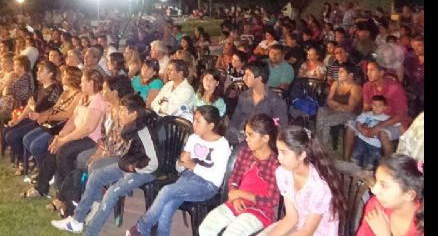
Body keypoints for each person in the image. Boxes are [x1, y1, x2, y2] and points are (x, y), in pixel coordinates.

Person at [50, 93, 158, 234]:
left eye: (123, 110)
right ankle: (76, 221)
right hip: (128, 164)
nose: (119, 114)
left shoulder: (144, 131)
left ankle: (91, 232)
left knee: (112, 193)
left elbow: (154, 163)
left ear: (134, 114)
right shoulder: (130, 126)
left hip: (145, 171)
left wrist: (135, 168)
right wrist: (125, 163)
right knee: (96, 176)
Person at [127, 106, 232, 236]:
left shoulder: (222, 145)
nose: (194, 124)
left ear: (210, 126)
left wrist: (193, 166)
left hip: (207, 185)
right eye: (194, 120)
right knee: (167, 207)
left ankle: (142, 228)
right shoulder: (194, 138)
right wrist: (181, 162)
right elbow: (180, 169)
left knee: (167, 191)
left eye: (198, 121)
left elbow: (216, 179)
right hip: (187, 178)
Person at [23, 69, 106, 197]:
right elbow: (73, 119)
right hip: (77, 134)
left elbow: (87, 128)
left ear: (91, 83)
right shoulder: (85, 97)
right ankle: (42, 186)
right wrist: (60, 135)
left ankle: (66, 195)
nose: (81, 84)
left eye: (83, 81)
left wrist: (64, 140)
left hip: (90, 139)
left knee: (64, 151)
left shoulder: (98, 100)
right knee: (53, 143)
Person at [199, 114, 281, 236]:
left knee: (232, 233)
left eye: (251, 135)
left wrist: (240, 194)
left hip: (259, 211)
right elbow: (234, 177)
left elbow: (271, 201)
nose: (246, 139)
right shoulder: (246, 152)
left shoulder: (275, 163)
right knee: (206, 228)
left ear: (265, 138)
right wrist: (235, 197)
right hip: (236, 203)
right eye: (246, 134)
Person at [259, 126, 346, 236]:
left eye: (284, 153)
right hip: (299, 227)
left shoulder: (319, 188)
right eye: (278, 151)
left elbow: (308, 231)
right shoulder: (283, 173)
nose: (279, 158)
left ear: (302, 155)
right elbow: (291, 217)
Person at [343, 61, 408, 161]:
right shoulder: (368, 86)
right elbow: (366, 108)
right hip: (374, 117)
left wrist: (377, 127)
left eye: (372, 70)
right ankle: (346, 161)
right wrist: (364, 123)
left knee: (382, 133)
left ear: (381, 73)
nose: (368, 73)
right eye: (367, 70)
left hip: (394, 122)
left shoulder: (395, 88)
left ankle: (388, 166)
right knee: (351, 126)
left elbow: (400, 115)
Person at [355, 154, 424, 236]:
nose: (374, 190)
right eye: (376, 181)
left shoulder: (421, 223)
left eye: (384, 185)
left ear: (409, 195)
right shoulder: (376, 206)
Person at [227, 61, 288, 145]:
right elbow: (235, 121)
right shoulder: (244, 96)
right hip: (242, 137)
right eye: (244, 74)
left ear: (259, 78)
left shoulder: (275, 101)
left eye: (248, 75)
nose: (244, 78)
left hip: (263, 142)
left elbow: (280, 128)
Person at [315, 62, 363, 150]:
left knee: (327, 120)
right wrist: (338, 106)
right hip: (336, 109)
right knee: (321, 111)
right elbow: (328, 100)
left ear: (350, 75)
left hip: (351, 114)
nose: (338, 74)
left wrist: (335, 105)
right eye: (338, 71)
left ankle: (322, 147)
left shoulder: (355, 88)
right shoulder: (336, 83)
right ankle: (318, 141)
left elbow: (350, 108)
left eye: (341, 72)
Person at [349, 96, 391, 170]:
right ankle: (354, 170)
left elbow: (395, 126)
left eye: (380, 105)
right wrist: (362, 130)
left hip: (375, 145)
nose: (376, 107)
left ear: (385, 108)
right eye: (374, 105)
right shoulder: (367, 114)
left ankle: (367, 174)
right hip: (362, 141)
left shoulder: (387, 119)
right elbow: (358, 122)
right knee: (356, 156)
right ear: (371, 105)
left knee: (370, 162)